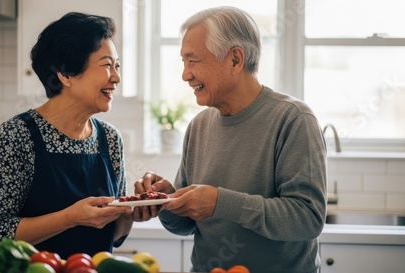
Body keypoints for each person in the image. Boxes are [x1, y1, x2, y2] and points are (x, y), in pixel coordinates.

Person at [135, 6, 327, 273]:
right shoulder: (198, 126)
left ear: (235, 59)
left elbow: (307, 218)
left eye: (193, 60)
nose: (185, 74)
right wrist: (165, 202)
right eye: (183, 62)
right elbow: (186, 225)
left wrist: (220, 202)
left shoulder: (293, 119)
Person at [0, 12, 138, 258]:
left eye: (117, 66)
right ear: (66, 74)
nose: (116, 77)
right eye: (107, 65)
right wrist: (70, 218)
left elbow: (113, 237)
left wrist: (130, 214)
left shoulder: (110, 139)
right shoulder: (17, 136)